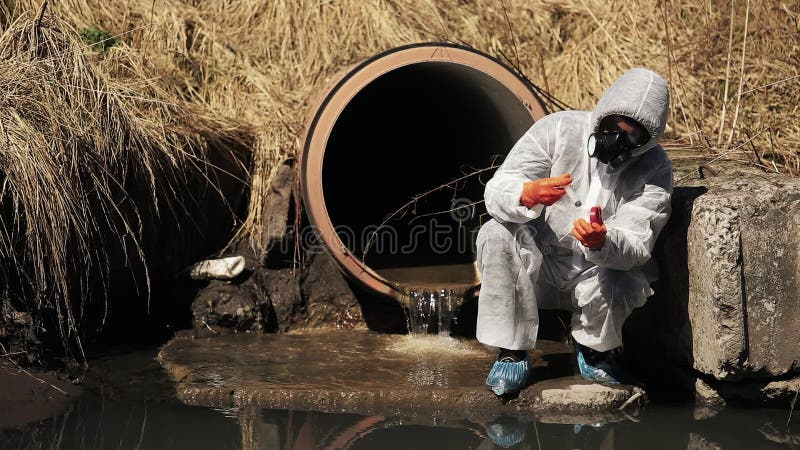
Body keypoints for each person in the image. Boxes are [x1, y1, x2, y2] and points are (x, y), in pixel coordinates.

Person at [476, 67, 672, 395]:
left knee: (622, 278)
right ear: (602, 117)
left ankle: (595, 348)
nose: (617, 141)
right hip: (538, 265)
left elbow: (639, 241)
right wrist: (525, 194)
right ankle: (512, 350)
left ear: (645, 140)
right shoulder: (558, 130)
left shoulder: (654, 168)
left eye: (632, 136)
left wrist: (604, 241)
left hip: (593, 273)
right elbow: (497, 189)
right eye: (613, 128)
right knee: (495, 232)